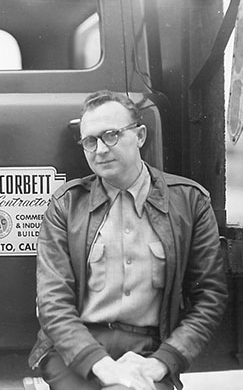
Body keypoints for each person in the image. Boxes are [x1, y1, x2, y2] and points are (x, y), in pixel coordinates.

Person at [28, 90, 227, 390]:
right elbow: (52, 302)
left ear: (140, 135)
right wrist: (103, 366)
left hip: (148, 350)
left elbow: (209, 297)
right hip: (74, 351)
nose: (100, 149)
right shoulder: (66, 205)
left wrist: (161, 362)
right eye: (90, 141)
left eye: (111, 135)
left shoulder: (189, 202)